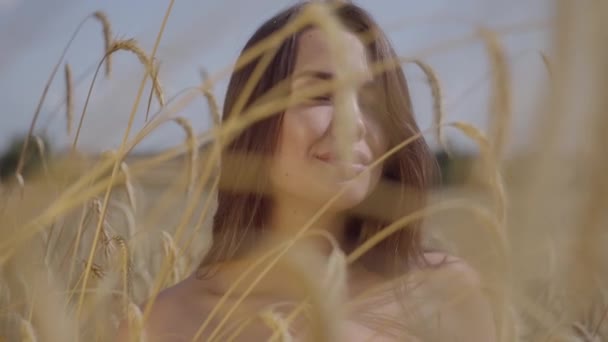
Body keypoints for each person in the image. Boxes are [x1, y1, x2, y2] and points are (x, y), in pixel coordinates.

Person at [117, 1, 497, 341]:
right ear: (252, 119)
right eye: (319, 95)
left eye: (372, 103)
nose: (355, 123)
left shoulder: (443, 294)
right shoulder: (157, 324)